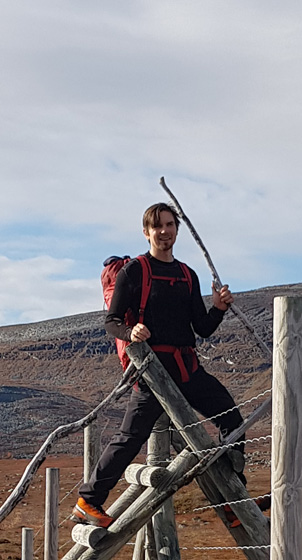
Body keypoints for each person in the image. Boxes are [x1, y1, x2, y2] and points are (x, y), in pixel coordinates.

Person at [73, 202, 246, 528]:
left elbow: (203, 328)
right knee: (130, 438)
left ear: (176, 230)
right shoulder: (134, 272)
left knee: (231, 419)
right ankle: (88, 501)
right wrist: (131, 331)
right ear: (146, 232)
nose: (164, 231)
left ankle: (233, 502)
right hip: (152, 372)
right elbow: (111, 322)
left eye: (170, 225)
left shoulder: (186, 275)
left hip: (187, 369)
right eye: (158, 226)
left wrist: (219, 308)